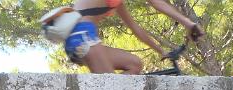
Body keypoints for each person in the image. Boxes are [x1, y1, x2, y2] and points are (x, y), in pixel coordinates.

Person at [65, 0, 204, 74]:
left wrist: (161, 51)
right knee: (110, 89)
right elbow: (157, 2)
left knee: (135, 64)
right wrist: (189, 24)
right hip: (83, 36)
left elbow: (136, 29)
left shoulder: (117, 3)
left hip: (83, 39)